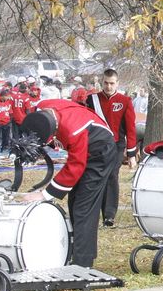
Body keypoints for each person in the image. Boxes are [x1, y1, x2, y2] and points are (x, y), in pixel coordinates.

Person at [17, 100, 118, 268]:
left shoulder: (73, 130)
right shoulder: (43, 107)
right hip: (85, 146)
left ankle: (82, 263)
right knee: (74, 201)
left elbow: (75, 166)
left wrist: (44, 194)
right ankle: (76, 252)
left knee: (84, 207)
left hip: (100, 151)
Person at [85, 68, 138, 227]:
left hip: (115, 145)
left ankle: (109, 215)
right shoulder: (91, 100)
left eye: (112, 83)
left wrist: (131, 154)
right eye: (106, 83)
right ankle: (93, 212)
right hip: (95, 145)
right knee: (95, 177)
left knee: (111, 176)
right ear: (102, 82)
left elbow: (131, 129)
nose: (109, 87)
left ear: (117, 83)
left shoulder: (125, 101)